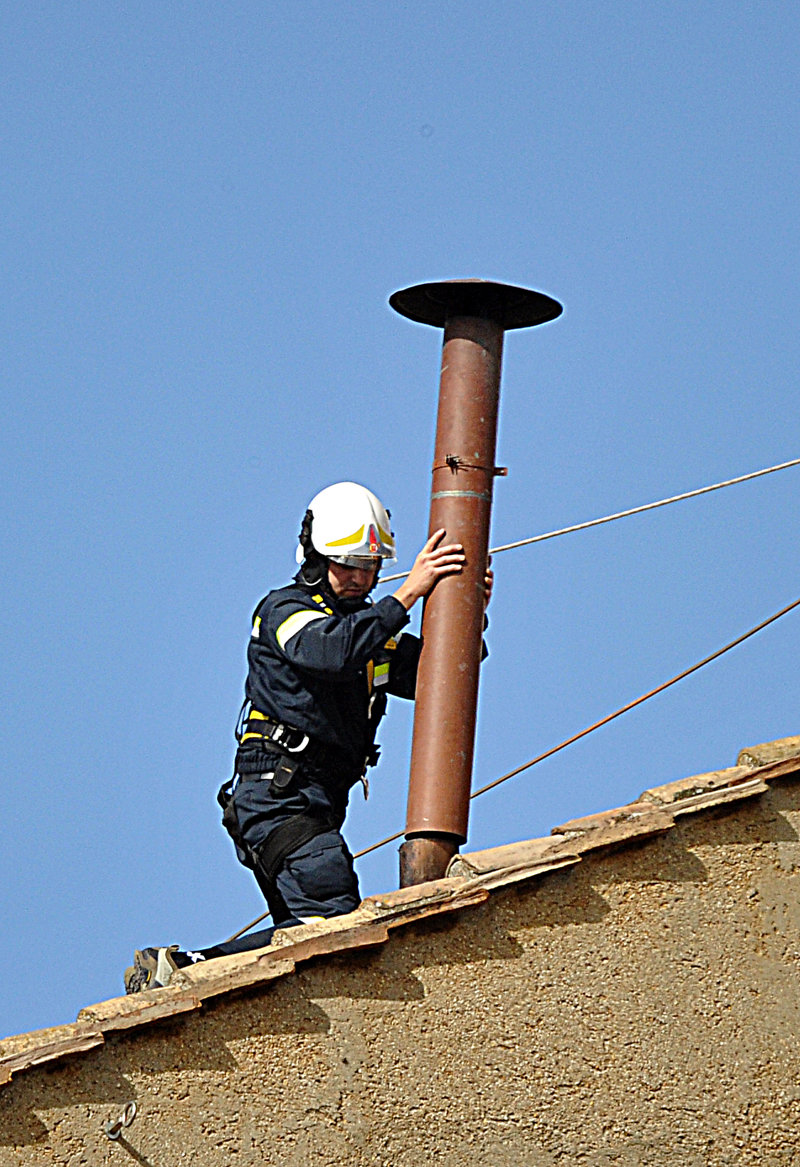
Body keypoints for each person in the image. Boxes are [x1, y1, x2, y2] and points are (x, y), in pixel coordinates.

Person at [125, 482, 490, 993]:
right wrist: (408, 594)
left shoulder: (366, 632)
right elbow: (330, 653)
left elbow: (440, 672)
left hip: (310, 802)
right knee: (334, 922)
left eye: (371, 566)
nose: (362, 577)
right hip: (279, 798)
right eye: (349, 565)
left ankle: (194, 975)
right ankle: (184, 970)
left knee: (309, 946)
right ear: (317, 559)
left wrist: (466, 610)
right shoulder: (286, 610)